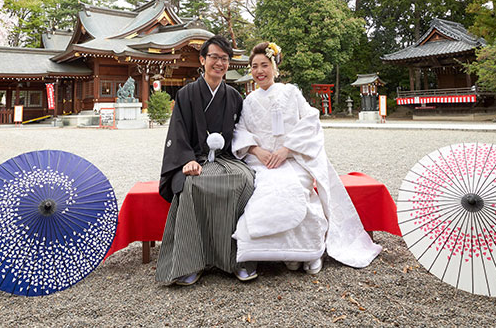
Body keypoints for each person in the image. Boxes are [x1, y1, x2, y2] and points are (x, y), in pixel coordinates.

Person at [231, 42, 382, 274]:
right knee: (263, 191)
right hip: (262, 162)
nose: (259, 71)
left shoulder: (290, 92)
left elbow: (310, 120)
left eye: (264, 65)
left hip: (293, 159)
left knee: (296, 189)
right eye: (254, 66)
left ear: (274, 67)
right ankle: (282, 255)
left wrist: (287, 149)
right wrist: (256, 150)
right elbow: (240, 131)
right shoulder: (248, 101)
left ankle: (310, 252)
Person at [156, 35, 257, 286]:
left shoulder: (234, 96)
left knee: (245, 179)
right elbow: (177, 132)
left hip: (225, 157)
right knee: (192, 184)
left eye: (224, 59)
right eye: (214, 57)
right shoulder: (186, 94)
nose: (219, 63)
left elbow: (242, 132)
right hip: (195, 158)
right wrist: (186, 160)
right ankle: (191, 261)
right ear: (202, 60)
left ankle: (238, 258)